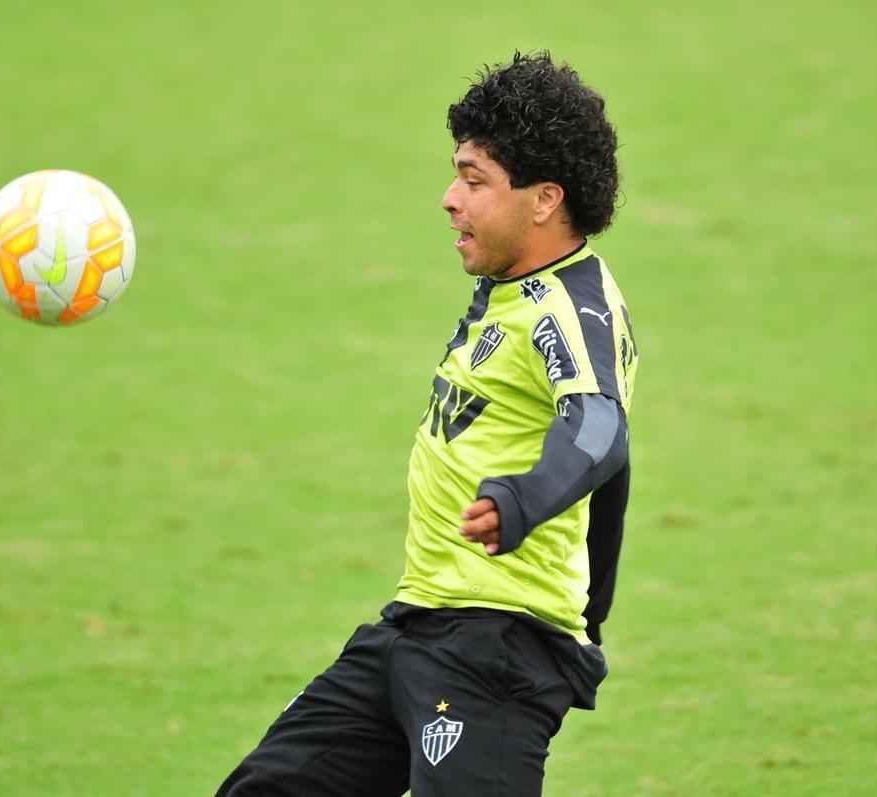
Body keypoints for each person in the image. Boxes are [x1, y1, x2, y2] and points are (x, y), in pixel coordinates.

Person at [215, 50, 640, 796]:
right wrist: (593, 609)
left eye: (475, 180)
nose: (449, 198)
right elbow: (613, 472)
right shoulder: (511, 291)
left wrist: (523, 498)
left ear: (545, 199)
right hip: (417, 624)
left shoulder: (568, 310)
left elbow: (600, 431)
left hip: (496, 649)